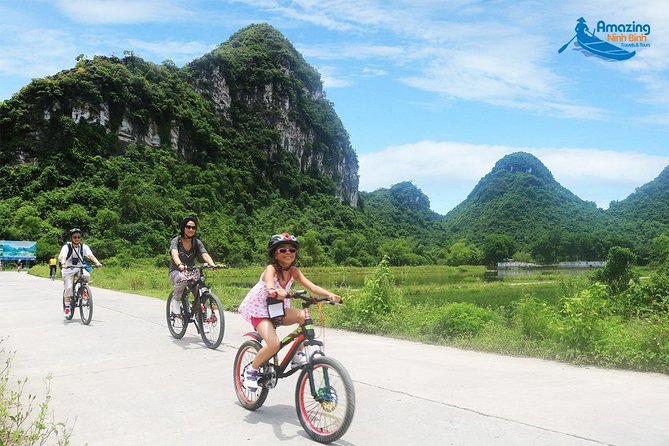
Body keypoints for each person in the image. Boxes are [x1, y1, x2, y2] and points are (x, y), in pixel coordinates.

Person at [238, 232, 342, 391]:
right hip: (260, 310)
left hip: (277, 309)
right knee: (273, 344)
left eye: (292, 250)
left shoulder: (294, 271)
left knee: (303, 316)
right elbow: (268, 283)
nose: (288, 253)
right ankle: (252, 370)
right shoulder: (270, 268)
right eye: (283, 250)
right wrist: (273, 290)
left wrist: (330, 295)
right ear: (274, 253)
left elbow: (312, 287)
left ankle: (296, 355)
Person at [168, 216, 221, 314]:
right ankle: (176, 300)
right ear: (183, 228)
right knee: (182, 278)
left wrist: (213, 264)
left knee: (200, 293)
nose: (191, 229)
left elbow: (204, 254)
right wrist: (180, 264)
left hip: (191, 271)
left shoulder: (196, 242)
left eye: (193, 227)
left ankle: (200, 318)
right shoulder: (176, 241)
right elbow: (174, 255)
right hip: (176, 271)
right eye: (188, 227)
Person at [59, 228, 102, 316]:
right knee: (69, 288)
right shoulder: (66, 247)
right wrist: (63, 263)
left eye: (79, 237)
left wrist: (97, 262)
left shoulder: (84, 247)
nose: (77, 239)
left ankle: (83, 290)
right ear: (71, 238)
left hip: (79, 268)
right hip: (68, 269)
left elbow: (90, 255)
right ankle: (67, 307)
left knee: (86, 276)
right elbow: (63, 256)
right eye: (75, 237)